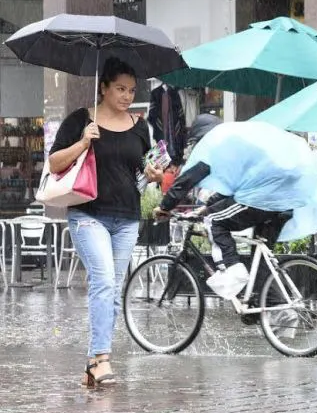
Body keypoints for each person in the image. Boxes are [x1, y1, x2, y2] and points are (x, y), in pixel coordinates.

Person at [47, 57, 162, 387]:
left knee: (112, 292)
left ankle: (93, 363)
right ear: (104, 87)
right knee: (104, 280)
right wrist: (83, 142)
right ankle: (103, 360)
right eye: (120, 89)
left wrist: (152, 175)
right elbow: (55, 163)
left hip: (127, 218)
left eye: (131, 90)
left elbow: (139, 171)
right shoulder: (81, 120)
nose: (127, 96)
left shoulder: (140, 127)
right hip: (88, 214)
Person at [155, 128, 302, 300]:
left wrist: (165, 206)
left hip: (260, 198)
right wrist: (207, 206)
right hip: (283, 201)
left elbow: (188, 179)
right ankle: (278, 307)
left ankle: (233, 270)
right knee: (261, 257)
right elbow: (233, 186)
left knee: (213, 221)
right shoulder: (236, 146)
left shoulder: (214, 149)